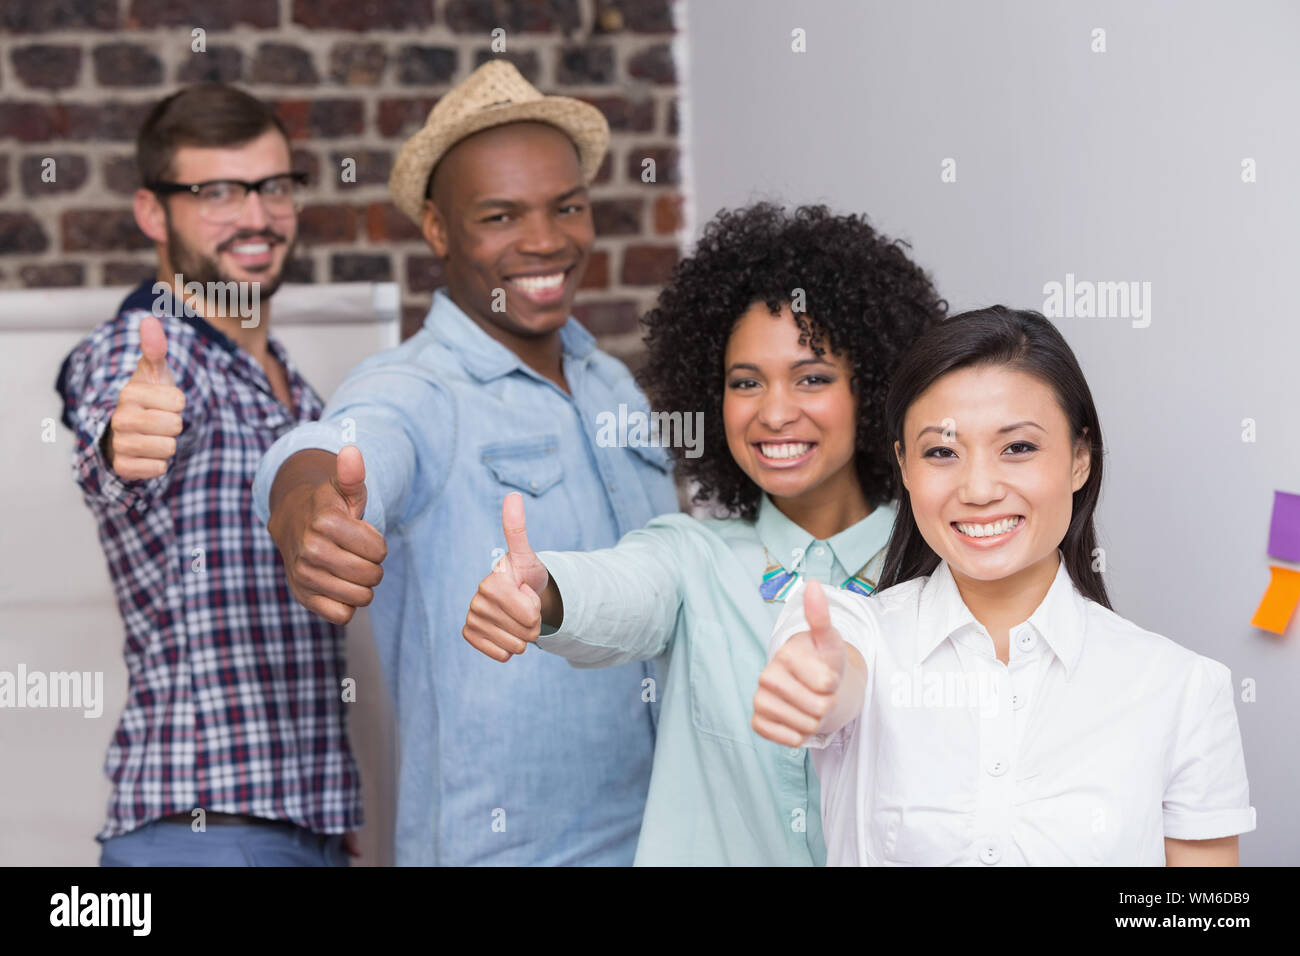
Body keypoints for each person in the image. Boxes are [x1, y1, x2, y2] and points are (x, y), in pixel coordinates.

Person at [253, 61, 677, 866]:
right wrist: (305, 496)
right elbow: (343, 443)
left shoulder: (610, 381)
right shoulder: (419, 388)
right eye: (500, 215)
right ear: (441, 231)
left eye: (567, 207)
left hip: (660, 839)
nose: (546, 241)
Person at [463, 202, 946, 864]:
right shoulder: (693, 555)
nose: (774, 412)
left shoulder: (938, 561)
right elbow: (621, 591)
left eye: (812, 378)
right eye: (745, 382)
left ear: (873, 388)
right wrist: (546, 592)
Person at [757, 306, 1257, 866]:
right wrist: (817, 680)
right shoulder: (862, 635)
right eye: (941, 452)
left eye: (1017, 447)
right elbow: (828, 666)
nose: (977, 488)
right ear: (903, 464)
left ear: (1079, 458)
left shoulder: (1181, 689)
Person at [55, 84, 359, 866]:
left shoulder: (293, 385)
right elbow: (112, 424)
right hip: (198, 833)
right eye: (217, 192)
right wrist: (127, 435)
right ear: (154, 213)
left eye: (273, 186)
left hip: (297, 829)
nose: (256, 217)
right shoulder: (151, 350)